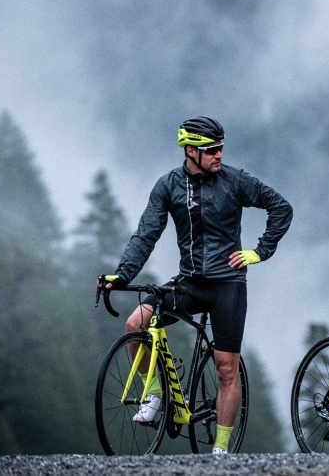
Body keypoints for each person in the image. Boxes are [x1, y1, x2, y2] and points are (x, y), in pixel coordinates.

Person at [100, 116, 293, 455]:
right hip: (190, 282)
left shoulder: (235, 180)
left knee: (226, 369)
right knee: (136, 323)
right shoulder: (168, 185)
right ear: (191, 151)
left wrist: (259, 252)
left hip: (228, 286)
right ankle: (156, 394)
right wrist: (122, 275)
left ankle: (221, 449)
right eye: (212, 149)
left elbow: (281, 208)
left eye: (221, 148)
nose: (220, 154)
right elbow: (146, 233)